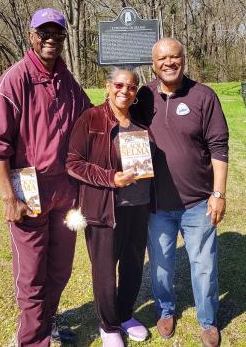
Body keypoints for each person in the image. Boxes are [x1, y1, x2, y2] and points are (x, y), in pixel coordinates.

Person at [0, 8, 91, 346]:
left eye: (57, 34)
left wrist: (128, 111)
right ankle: (32, 339)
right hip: (27, 188)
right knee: (31, 275)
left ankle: (47, 322)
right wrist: (8, 198)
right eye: (44, 32)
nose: (50, 39)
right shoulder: (14, 80)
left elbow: (91, 123)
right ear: (31, 36)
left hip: (64, 191)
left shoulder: (68, 83)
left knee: (59, 269)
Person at [132, 38, 229, 347]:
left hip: (198, 203)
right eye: (162, 58)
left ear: (184, 60)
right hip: (157, 204)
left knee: (204, 266)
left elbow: (219, 148)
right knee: (160, 265)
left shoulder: (204, 96)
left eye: (175, 57)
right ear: (153, 63)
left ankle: (208, 320)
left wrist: (219, 193)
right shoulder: (142, 97)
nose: (169, 62)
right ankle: (165, 310)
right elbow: (119, 123)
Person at [66, 68, 154, 347]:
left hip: (138, 206)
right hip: (104, 209)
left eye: (131, 87)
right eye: (119, 85)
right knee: (104, 270)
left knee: (133, 266)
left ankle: (126, 315)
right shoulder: (91, 118)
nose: (124, 91)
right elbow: (73, 162)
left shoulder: (140, 120)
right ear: (107, 86)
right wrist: (110, 178)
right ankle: (108, 326)